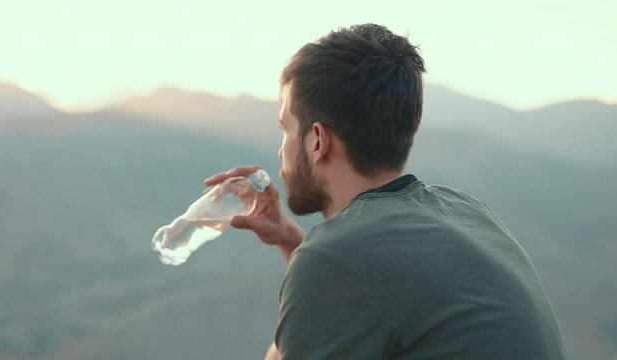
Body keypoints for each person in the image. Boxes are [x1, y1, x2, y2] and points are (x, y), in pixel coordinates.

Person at [204, 23, 568, 360]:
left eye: (285, 129)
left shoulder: (334, 259)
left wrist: (309, 258)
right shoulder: (467, 212)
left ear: (317, 140)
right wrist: (289, 239)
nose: (281, 151)